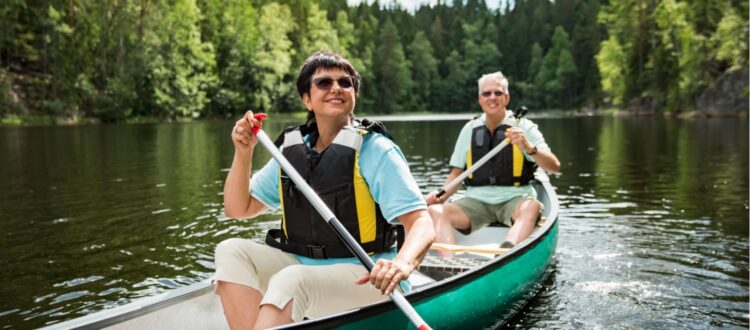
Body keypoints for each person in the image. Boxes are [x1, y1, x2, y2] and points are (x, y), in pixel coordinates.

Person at [215, 51, 434, 329]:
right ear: (306, 98)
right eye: (324, 83)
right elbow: (238, 208)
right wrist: (243, 152)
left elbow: (422, 224)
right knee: (230, 250)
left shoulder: (376, 150)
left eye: (346, 82)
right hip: (300, 265)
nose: (337, 88)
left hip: (365, 276)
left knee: (292, 279)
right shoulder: (290, 151)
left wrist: (401, 264)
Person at [425, 71, 560, 254]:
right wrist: (441, 196)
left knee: (532, 207)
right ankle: (449, 266)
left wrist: (528, 147)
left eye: (498, 93)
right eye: (487, 93)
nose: (492, 97)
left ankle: (505, 255)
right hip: (476, 202)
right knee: (436, 211)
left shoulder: (524, 127)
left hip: (514, 200)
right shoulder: (470, 129)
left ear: (507, 97)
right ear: (480, 99)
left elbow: (554, 167)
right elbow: (457, 174)